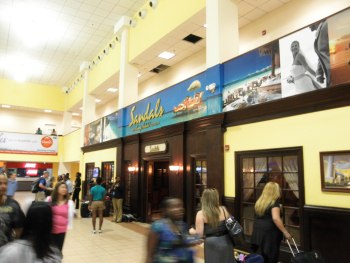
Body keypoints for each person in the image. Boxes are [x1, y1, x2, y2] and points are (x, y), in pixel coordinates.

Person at [146, 197, 200, 263]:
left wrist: (192, 241)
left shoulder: (183, 225)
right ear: (166, 210)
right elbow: (149, 254)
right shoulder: (158, 226)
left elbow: (182, 242)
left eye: (181, 206)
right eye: (175, 207)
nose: (180, 209)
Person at [251, 182, 292, 263]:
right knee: (271, 258)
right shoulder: (274, 202)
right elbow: (276, 218)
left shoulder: (259, 202)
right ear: (275, 191)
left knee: (259, 258)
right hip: (269, 235)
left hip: (257, 232)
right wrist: (285, 232)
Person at [189, 188, 234, 263]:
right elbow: (232, 225)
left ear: (203, 199)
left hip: (212, 243)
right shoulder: (223, 209)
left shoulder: (201, 214)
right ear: (216, 198)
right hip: (226, 241)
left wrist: (191, 231)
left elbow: (199, 234)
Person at [47, 182, 75, 253]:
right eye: (62, 187)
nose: (64, 189)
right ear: (57, 189)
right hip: (49, 230)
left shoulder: (69, 202)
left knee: (58, 250)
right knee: (49, 251)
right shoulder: (49, 200)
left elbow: (71, 215)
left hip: (61, 231)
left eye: (65, 187)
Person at [0, 173, 25, 247]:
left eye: (5, 183)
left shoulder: (13, 205)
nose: (3, 186)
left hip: (5, 250)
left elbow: (19, 228)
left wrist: (14, 246)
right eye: (0, 183)